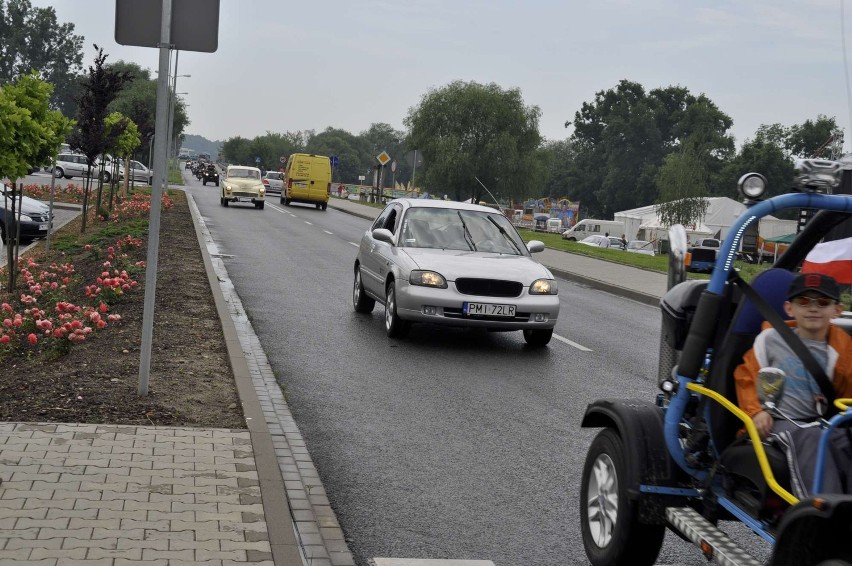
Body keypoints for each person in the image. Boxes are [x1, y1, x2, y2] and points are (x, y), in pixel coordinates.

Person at [735, 272, 852, 497]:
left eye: (823, 302)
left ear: (837, 310)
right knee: (811, 437)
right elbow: (746, 377)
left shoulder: (843, 348)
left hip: (822, 423)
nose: (813, 308)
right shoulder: (770, 340)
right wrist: (756, 412)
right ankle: (820, 513)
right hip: (777, 422)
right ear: (790, 308)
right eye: (804, 301)